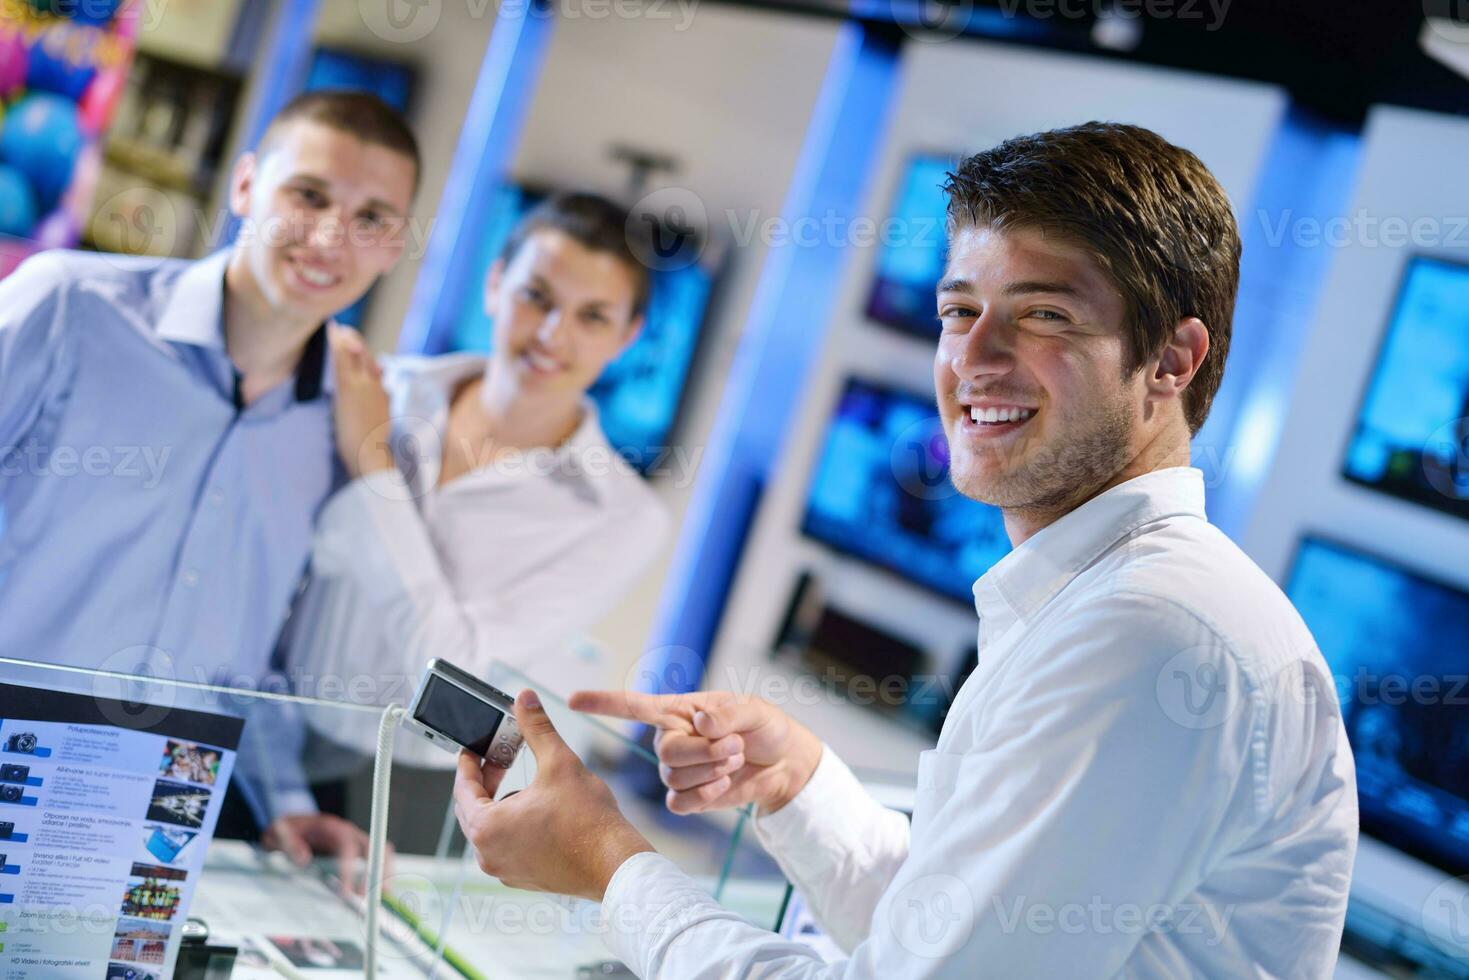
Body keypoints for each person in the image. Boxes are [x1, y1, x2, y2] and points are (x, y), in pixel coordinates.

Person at [450, 123, 1359, 977]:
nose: (975, 357)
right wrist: (798, 782)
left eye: (1041, 314)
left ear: (1170, 361)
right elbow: (950, 937)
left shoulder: (1153, 633)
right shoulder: (1106, 600)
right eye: (959, 309)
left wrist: (608, 865)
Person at [0, 89, 420, 886]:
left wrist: (285, 798)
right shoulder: (69, 309)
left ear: (394, 243)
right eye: (309, 195)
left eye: (370, 218)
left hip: (143, 831)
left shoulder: (340, 427)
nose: (331, 236)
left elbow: (243, 661)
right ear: (246, 187)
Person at [281, 191, 669, 779]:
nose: (553, 335)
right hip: (269, 719)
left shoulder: (623, 518)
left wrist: (376, 470)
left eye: (592, 316)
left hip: (417, 782)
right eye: (536, 297)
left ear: (627, 336)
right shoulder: (385, 390)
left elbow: (456, 667)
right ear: (494, 285)